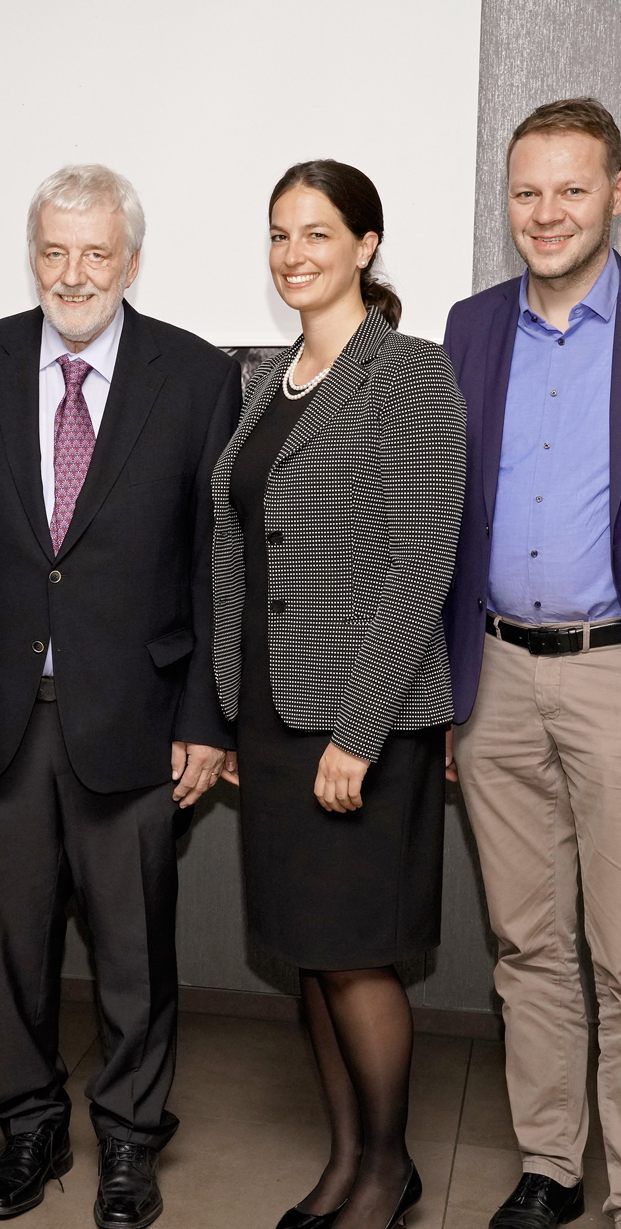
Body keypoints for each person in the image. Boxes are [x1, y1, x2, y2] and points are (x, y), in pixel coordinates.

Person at [0, 164, 241, 1229]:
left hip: (136, 720)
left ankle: (126, 1138)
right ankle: (26, 1124)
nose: (73, 272)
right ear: (33, 255)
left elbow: (212, 567)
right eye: (53, 251)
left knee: (132, 950)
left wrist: (205, 715)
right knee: (9, 945)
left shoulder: (197, 377)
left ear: (130, 260)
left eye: (95, 252)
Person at [210, 160, 465, 1229]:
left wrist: (355, 734)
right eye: (278, 234)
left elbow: (420, 566)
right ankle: (347, 1161)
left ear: (364, 245)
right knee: (307, 955)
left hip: (357, 721)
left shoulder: (407, 373)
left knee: (355, 956)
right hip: (271, 720)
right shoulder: (271, 378)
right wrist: (230, 710)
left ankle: (388, 1170)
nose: (293, 254)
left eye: (316, 233)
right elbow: (238, 544)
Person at [443, 96, 621, 1229]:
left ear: (612, 195)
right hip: (494, 674)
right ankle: (550, 1163)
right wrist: (445, 696)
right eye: (524, 190)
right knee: (527, 941)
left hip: (613, 674)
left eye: (569, 187)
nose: (543, 212)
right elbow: (437, 521)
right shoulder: (468, 328)